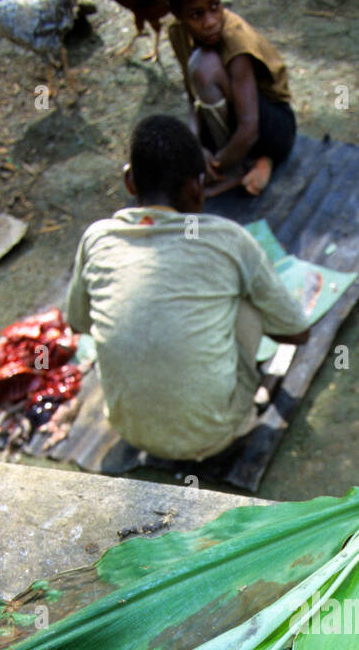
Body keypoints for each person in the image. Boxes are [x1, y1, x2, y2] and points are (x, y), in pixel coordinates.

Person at [66, 114, 308, 462]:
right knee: (244, 297)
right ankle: (215, 403)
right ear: (197, 186)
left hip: (130, 430)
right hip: (214, 434)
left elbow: (78, 323)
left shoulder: (98, 238)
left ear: (129, 181)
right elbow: (297, 331)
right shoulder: (227, 239)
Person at [163, 0, 295, 196]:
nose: (210, 22)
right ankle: (255, 161)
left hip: (273, 126)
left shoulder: (235, 40)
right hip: (232, 120)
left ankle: (239, 167)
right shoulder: (177, 33)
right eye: (196, 15)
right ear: (177, 14)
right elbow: (193, 99)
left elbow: (249, 129)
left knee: (205, 65)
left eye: (215, 6)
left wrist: (214, 167)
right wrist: (197, 148)